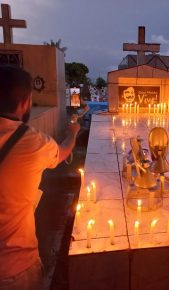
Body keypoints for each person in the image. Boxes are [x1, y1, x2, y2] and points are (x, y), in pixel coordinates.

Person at [0, 65, 80, 290]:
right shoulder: (32, 142)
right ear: (25, 102)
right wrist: (73, 132)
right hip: (14, 269)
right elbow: (63, 152)